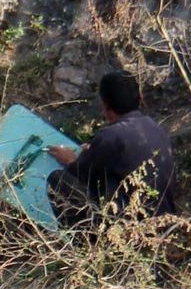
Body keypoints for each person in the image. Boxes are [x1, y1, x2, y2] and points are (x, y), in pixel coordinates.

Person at [46, 70, 177, 221]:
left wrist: (70, 159)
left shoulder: (111, 136)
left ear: (104, 106)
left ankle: (75, 238)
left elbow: (82, 174)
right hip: (164, 220)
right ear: (140, 99)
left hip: (128, 224)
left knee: (58, 179)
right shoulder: (157, 130)